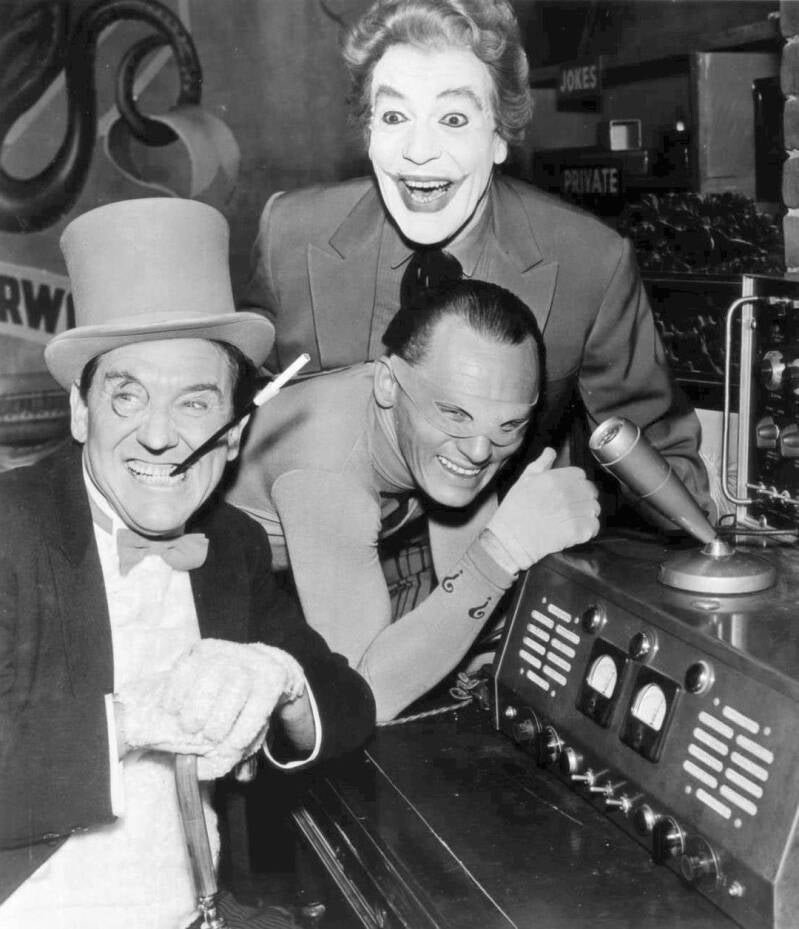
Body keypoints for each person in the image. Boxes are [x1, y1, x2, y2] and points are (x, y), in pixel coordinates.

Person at [0, 198, 375, 929]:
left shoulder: (230, 543)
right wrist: (136, 719)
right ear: (80, 412)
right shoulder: (8, 526)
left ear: (233, 435)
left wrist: (279, 675)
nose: (160, 435)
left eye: (196, 404)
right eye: (128, 396)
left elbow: (349, 707)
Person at [241, 0, 711, 517]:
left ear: (499, 137)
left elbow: (659, 457)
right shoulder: (290, 233)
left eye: (453, 119)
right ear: (370, 133)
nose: (419, 151)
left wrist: (689, 534)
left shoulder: (590, 261)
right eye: (395, 116)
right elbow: (238, 413)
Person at [227, 279, 600, 721]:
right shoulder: (328, 474)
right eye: (454, 413)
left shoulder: (444, 432)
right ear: (387, 384)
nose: (479, 452)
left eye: (509, 425)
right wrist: (504, 550)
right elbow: (359, 697)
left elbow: (473, 582)